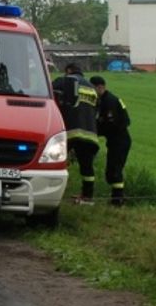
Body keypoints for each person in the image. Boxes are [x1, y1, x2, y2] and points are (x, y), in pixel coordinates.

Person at [51, 62, 99, 203]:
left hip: (72, 132)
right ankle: (87, 197)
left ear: (69, 71)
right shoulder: (92, 88)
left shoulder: (67, 80)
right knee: (87, 167)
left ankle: (52, 193)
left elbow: (49, 89)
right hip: (90, 133)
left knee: (54, 160)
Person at [90, 75, 132, 206]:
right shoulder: (103, 100)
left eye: (92, 89)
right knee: (111, 171)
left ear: (100, 87)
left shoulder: (109, 102)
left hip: (120, 140)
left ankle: (117, 200)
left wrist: (96, 131)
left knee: (115, 170)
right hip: (114, 140)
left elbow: (113, 124)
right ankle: (117, 197)